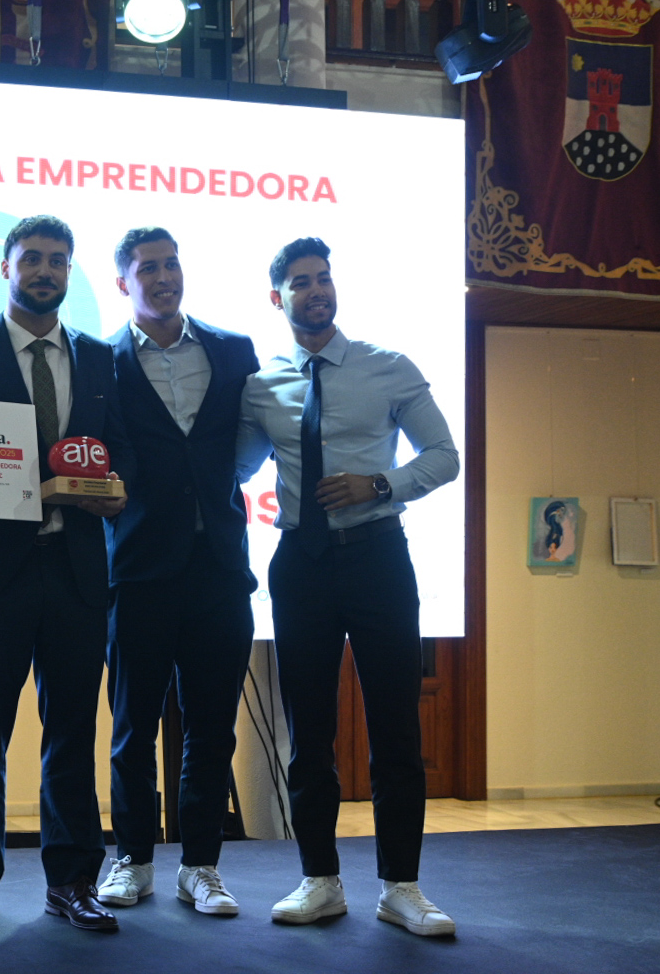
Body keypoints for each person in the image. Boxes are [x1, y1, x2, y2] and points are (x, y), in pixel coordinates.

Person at [235, 237, 460, 936]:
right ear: (277, 298)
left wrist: (380, 484)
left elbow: (445, 456)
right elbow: (233, 468)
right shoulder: (262, 385)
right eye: (301, 282)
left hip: (377, 557)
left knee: (395, 727)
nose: (317, 290)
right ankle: (319, 880)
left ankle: (401, 886)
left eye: (323, 278)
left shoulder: (387, 366)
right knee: (309, 732)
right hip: (300, 565)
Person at [0, 214, 132, 933]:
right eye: (33, 258)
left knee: (72, 732)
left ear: (69, 272)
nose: (45, 270)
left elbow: (119, 451)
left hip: (77, 573)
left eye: (58, 260)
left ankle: (73, 882)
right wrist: (32, 491)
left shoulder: (100, 357)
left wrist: (118, 489)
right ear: (6, 269)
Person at [96, 228, 259, 917]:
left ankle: (201, 866)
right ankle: (133, 860)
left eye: (170, 264)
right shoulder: (99, 360)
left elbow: (248, 444)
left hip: (219, 569)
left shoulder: (234, 350)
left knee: (212, 728)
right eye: (147, 269)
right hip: (137, 570)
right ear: (123, 283)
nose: (163, 277)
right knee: (133, 728)